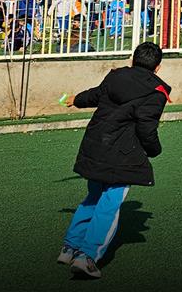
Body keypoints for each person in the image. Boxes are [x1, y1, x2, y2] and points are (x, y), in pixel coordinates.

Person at [60, 41, 171, 279]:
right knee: (110, 203)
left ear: (132, 59)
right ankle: (87, 256)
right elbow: (146, 127)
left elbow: (95, 95)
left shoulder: (116, 76)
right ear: (158, 67)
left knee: (93, 196)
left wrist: (76, 99)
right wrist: (154, 150)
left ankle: (70, 247)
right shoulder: (156, 91)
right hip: (123, 153)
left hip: (96, 144)